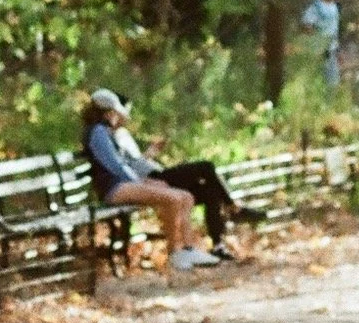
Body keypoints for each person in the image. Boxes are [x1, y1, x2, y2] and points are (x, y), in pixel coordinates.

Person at [80, 91, 263, 267]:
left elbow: (123, 164)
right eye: (116, 113)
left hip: (125, 183)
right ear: (107, 113)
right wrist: (140, 182)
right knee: (173, 198)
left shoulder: (105, 132)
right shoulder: (98, 132)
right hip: (114, 187)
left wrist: (144, 180)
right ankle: (176, 252)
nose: (119, 117)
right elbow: (114, 165)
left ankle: (189, 248)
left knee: (186, 196)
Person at [297, 0, 342, 86]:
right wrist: (315, 43)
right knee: (319, 79)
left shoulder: (334, 6)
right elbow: (307, 24)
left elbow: (334, 29)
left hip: (332, 48)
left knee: (333, 80)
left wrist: (337, 48)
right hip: (320, 49)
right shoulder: (316, 6)